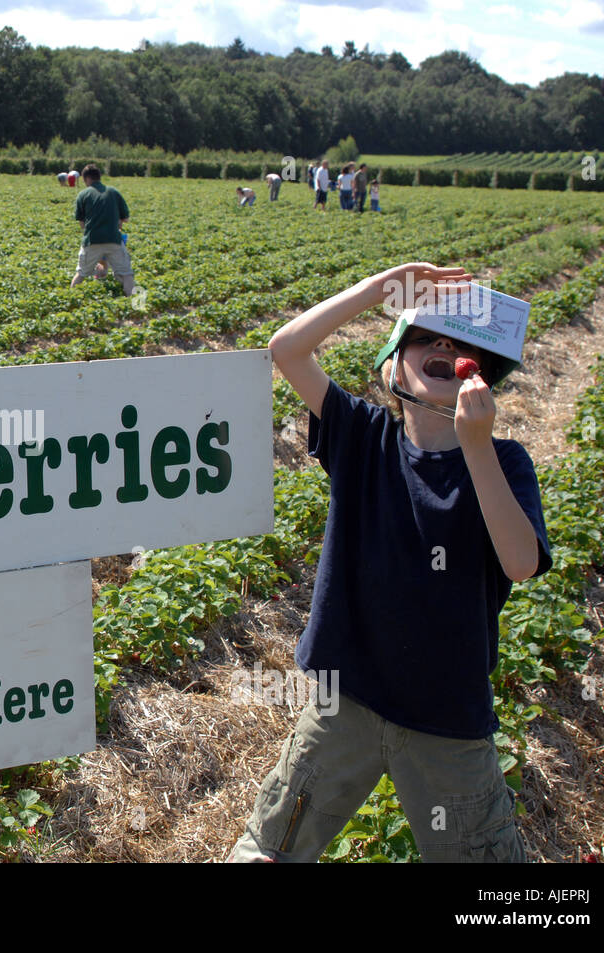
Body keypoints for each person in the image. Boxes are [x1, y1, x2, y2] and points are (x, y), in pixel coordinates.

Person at [229, 263, 551, 863]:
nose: (445, 347)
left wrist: (476, 448)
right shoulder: (363, 435)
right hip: (344, 701)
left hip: (446, 718)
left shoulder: (504, 463)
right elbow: (287, 349)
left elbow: (520, 563)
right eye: (425, 338)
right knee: (273, 845)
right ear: (390, 369)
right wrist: (383, 289)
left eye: (461, 345)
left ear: (480, 377)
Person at [71, 164, 134, 296]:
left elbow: (82, 224)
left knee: (81, 274)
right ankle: (135, 305)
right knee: (127, 274)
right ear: (99, 177)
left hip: (92, 240)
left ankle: (71, 299)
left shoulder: (83, 194)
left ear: (86, 179)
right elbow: (126, 218)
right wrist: (117, 222)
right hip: (114, 240)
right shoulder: (114, 192)